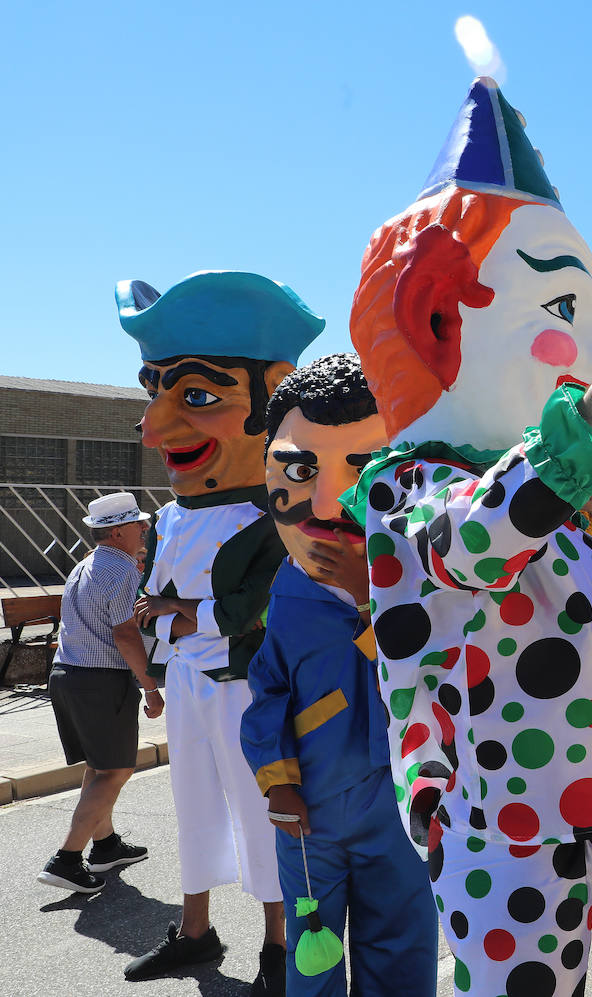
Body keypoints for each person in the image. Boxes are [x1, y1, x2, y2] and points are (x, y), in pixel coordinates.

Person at [345, 77, 592, 996]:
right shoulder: (410, 486)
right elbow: (472, 543)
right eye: (562, 310)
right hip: (497, 817)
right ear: (435, 319)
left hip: (554, 813)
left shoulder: (543, 485)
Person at [118, 270, 324, 994]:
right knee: (195, 809)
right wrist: (160, 647)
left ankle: (279, 946)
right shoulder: (171, 516)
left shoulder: (274, 517)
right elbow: (154, 595)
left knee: (263, 814)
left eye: (198, 396)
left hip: (246, 691)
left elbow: (257, 610)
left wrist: (181, 612)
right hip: (188, 681)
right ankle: (196, 929)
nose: (153, 428)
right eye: (154, 392)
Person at [240, 353, 437, 997]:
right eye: (302, 471)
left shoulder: (427, 583)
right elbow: (268, 689)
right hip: (313, 812)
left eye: (365, 466)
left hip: (402, 807)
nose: (329, 504)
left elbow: (431, 676)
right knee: (314, 949)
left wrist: (369, 598)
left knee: (401, 941)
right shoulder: (289, 590)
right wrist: (278, 783)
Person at [37, 492, 165, 895]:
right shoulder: (122, 570)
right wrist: (151, 687)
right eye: (137, 523)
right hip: (100, 681)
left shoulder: (86, 565)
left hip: (68, 674)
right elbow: (125, 633)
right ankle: (67, 859)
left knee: (99, 766)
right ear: (117, 532)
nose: (144, 528)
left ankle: (105, 845)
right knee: (114, 771)